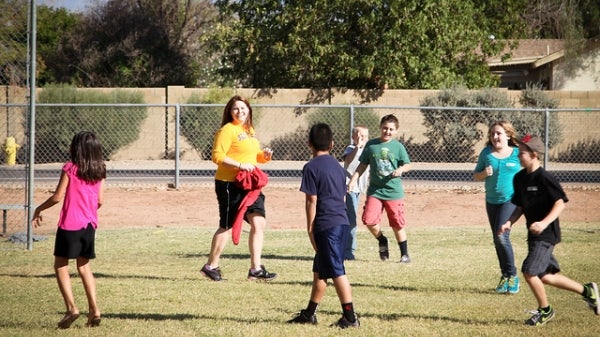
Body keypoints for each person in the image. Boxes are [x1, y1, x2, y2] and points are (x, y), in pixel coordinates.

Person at [498, 135, 599, 326]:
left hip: (546, 234)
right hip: (533, 234)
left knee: (529, 271)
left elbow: (560, 203)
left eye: (522, 152)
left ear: (534, 154)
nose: (518, 155)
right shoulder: (519, 179)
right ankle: (588, 291)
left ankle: (546, 311)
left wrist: (543, 223)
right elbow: (519, 206)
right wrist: (509, 222)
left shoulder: (545, 178)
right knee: (545, 276)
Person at [288, 123, 359, 328]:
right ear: (332, 144)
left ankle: (350, 317)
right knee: (321, 268)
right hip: (342, 222)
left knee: (337, 270)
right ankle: (310, 313)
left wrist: (310, 227)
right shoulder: (338, 167)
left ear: (309, 143)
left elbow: (312, 200)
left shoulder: (311, 167)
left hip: (327, 226)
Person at [32, 131, 106, 329]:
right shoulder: (100, 170)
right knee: (84, 267)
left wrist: (39, 208)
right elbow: (100, 200)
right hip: (89, 225)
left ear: (76, 148)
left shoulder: (70, 168)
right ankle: (94, 309)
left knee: (60, 265)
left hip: (70, 224)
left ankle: (71, 308)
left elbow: (57, 197)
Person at [200, 95, 277, 282]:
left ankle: (256, 269)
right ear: (229, 111)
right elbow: (217, 156)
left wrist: (263, 156)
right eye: (236, 109)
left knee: (259, 223)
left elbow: (252, 156)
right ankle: (211, 266)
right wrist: (240, 165)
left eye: (243, 108)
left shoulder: (249, 130)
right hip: (229, 184)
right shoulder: (227, 130)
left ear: (249, 110)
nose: (240, 112)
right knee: (226, 226)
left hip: (249, 183)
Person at [348, 114, 411, 263]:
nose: (387, 131)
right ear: (380, 127)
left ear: (396, 131)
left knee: (397, 223)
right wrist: (352, 181)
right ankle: (382, 240)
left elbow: (408, 164)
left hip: (393, 192)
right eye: (385, 128)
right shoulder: (371, 145)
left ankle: (405, 255)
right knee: (369, 220)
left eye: (391, 129)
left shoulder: (398, 147)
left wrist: (401, 169)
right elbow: (362, 165)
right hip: (375, 191)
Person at [473, 121, 521, 294]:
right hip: (491, 201)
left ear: (508, 135)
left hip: (511, 201)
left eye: (498, 133)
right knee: (496, 239)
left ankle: (513, 276)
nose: (495, 137)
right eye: (492, 134)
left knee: (502, 236)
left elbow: (531, 170)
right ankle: (505, 275)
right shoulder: (486, 153)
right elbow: (476, 176)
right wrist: (484, 173)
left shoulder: (517, 153)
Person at [342, 125, 369, 260]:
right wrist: (357, 146)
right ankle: (348, 251)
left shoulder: (368, 150)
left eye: (364, 136)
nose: (361, 139)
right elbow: (348, 160)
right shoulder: (351, 148)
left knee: (352, 218)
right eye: (359, 136)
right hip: (349, 188)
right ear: (353, 137)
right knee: (351, 220)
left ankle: (346, 248)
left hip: (360, 189)